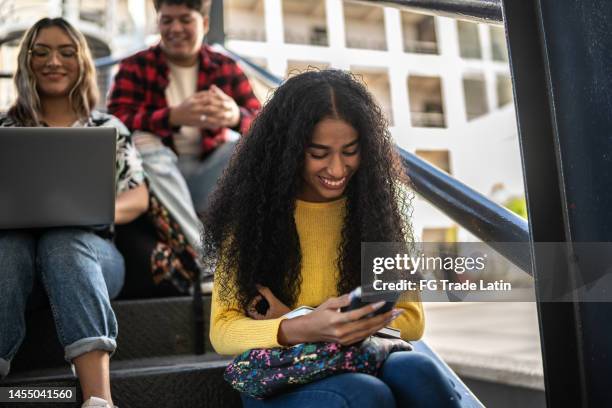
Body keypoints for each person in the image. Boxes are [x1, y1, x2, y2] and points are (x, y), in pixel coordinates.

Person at [204, 70, 462, 407]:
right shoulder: (252, 216)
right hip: (281, 373)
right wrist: (301, 327)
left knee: (419, 371)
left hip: (362, 355)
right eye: (319, 153)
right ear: (289, 150)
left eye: (350, 151)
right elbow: (223, 331)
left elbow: (411, 319)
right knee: (365, 394)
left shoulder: (375, 211)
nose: (337, 169)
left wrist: (315, 320)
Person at [0, 18, 148, 408]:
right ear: (27, 61)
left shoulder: (107, 126)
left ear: (81, 61)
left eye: (66, 52)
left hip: (92, 257)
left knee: (63, 242)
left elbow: (139, 197)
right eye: (42, 51)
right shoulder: (4, 128)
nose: (54, 61)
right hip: (17, 264)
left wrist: (90, 210)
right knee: (8, 249)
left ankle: (99, 400)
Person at [107, 0, 261, 222]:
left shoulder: (226, 66)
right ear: (158, 23)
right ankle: (198, 242)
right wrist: (172, 117)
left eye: (185, 20)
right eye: (167, 20)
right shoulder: (135, 65)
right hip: (155, 174)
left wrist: (236, 117)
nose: (175, 29)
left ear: (205, 23)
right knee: (143, 140)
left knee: (249, 144)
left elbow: (266, 124)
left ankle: (188, 227)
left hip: (209, 171)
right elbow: (114, 122)